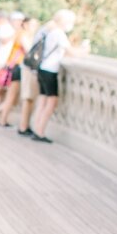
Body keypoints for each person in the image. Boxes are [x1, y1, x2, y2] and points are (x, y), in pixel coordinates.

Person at [31, 9, 88, 143]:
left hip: (42, 68)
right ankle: (40, 131)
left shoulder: (50, 31)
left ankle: (36, 128)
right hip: (50, 70)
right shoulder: (59, 33)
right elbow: (71, 52)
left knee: (43, 100)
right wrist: (84, 50)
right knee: (51, 102)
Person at [0, 15, 37, 127]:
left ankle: (1, 117)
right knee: (11, 96)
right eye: (32, 25)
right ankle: (0, 116)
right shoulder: (22, 34)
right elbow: (29, 50)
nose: (34, 27)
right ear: (25, 24)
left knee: (12, 96)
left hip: (16, 66)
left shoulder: (21, 34)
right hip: (17, 66)